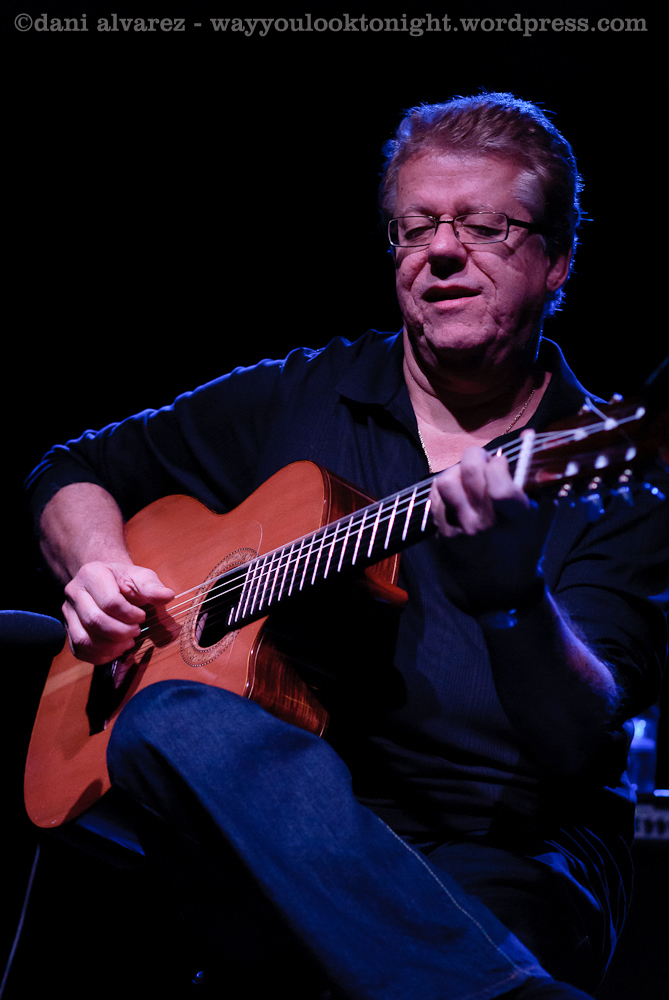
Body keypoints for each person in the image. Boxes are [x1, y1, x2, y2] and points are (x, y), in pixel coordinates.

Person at [26, 93, 668, 1000]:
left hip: (504, 853)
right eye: (416, 228)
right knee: (170, 722)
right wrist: (99, 565)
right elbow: (74, 469)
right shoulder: (304, 391)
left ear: (557, 259)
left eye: (484, 226)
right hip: (278, 833)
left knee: (447, 935)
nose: (441, 251)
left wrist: (510, 599)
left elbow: (576, 747)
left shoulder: (609, 473)